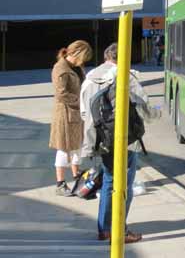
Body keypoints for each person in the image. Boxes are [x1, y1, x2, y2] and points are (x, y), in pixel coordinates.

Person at [80, 43, 161, 244]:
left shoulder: (89, 78)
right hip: (124, 139)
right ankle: (119, 230)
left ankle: (105, 229)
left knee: (109, 181)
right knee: (124, 186)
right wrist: (158, 111)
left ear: (106, 57)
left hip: (99, 139)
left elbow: (83, 112)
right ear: (123, 58)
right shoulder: (125, 76)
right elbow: (146, 109)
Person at [49, 39, 93, 196]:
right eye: (83, 58)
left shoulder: (76, 67)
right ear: (75, 54)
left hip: (77, 114)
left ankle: (76, 175)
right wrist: (81, 103)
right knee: (64, 148)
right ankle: (60, 184)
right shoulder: (60, 69)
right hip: (65, 114)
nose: (83, 62)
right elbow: (61, 94)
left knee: (77, 146)